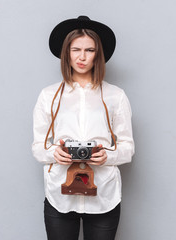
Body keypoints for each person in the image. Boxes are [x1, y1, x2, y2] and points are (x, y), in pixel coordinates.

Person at [32, 16, 134, 240]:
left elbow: (128, 148)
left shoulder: (116, 96)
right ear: (65, 52)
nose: (82, 57)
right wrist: (54, 153)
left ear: (98, 54)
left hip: (103, 196)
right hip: (59, 194)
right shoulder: (48, 96)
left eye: (89, 50)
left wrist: (106, 156)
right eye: (75, 49)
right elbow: (38, 147)